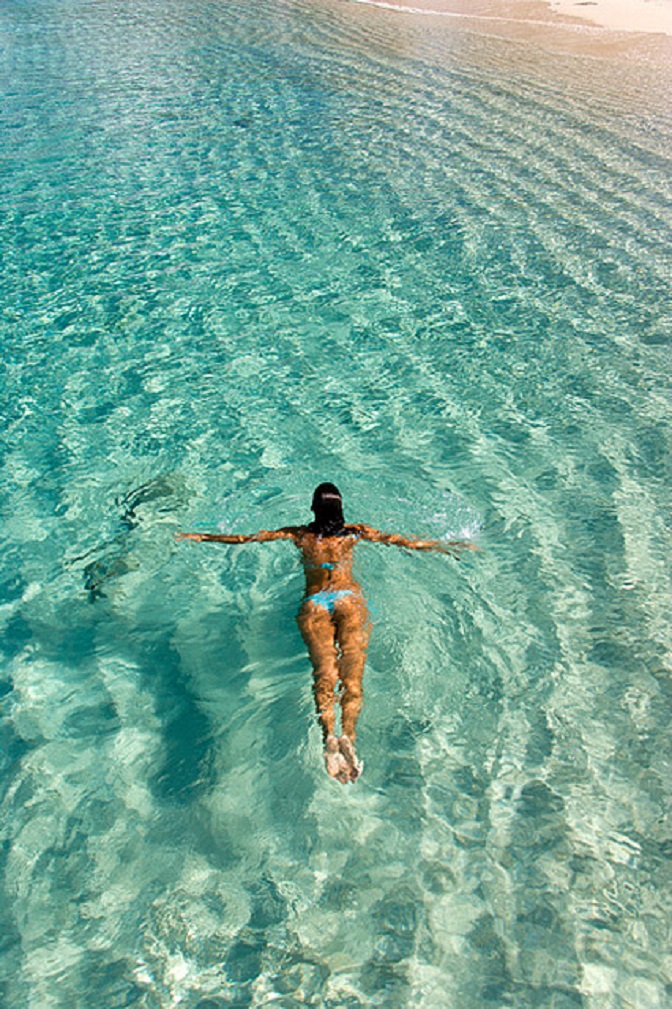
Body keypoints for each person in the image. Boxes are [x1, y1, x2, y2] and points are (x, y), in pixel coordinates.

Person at [177, 483, 477, 784]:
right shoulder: (354, 532)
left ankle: (329, 737)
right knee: (353, 677)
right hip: (349, 599)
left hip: (315, 603)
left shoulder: (300, 535)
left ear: (312, 509)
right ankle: (349, 735)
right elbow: (404, 542)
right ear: (340, 510)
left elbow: (246, 539)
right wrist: (447, 546)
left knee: (325, 673)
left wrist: (202, 536)